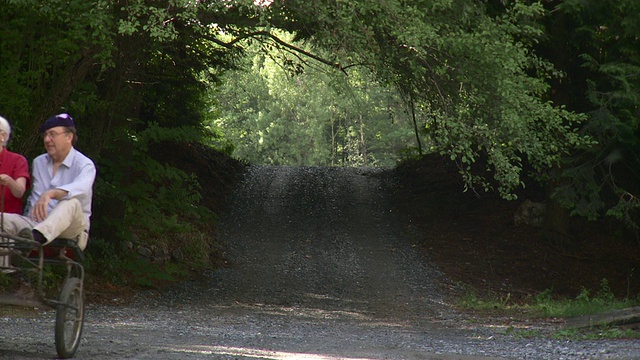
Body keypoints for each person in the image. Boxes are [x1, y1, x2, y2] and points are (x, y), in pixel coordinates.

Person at [1, 113, 96, 251]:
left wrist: (51, 193)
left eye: (52, 134)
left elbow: (81, 188)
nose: (47, 139)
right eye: (45, 135)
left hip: (71, 229)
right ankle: (10, 271)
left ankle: (34, 239)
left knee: (71, 203)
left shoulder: (85, 165)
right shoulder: (39, 162)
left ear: (69, 137)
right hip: (34, 224)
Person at [0, 115, 31, 270]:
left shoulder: (17, 160)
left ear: (3, 136)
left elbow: (20, 192)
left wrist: (9, 181)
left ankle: (11, 257)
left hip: (8, 222)